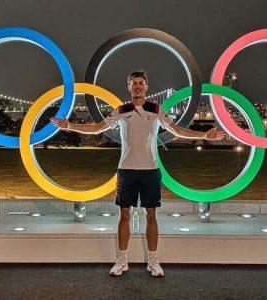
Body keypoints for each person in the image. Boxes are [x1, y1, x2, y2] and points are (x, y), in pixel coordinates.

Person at [51, 70, 224, 277]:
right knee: (124, 215)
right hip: (126, 171)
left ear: (147, 87)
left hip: (150, 171)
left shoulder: (157, 109)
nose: (138, 86)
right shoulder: (121, 110)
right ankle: (122, 260)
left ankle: (153, 261)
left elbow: (177, 131)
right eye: (134, 83)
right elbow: (97, 128)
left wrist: (204, 134)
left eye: (141, 83)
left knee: (151, 215)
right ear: (129, 87)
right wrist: (69, 125)